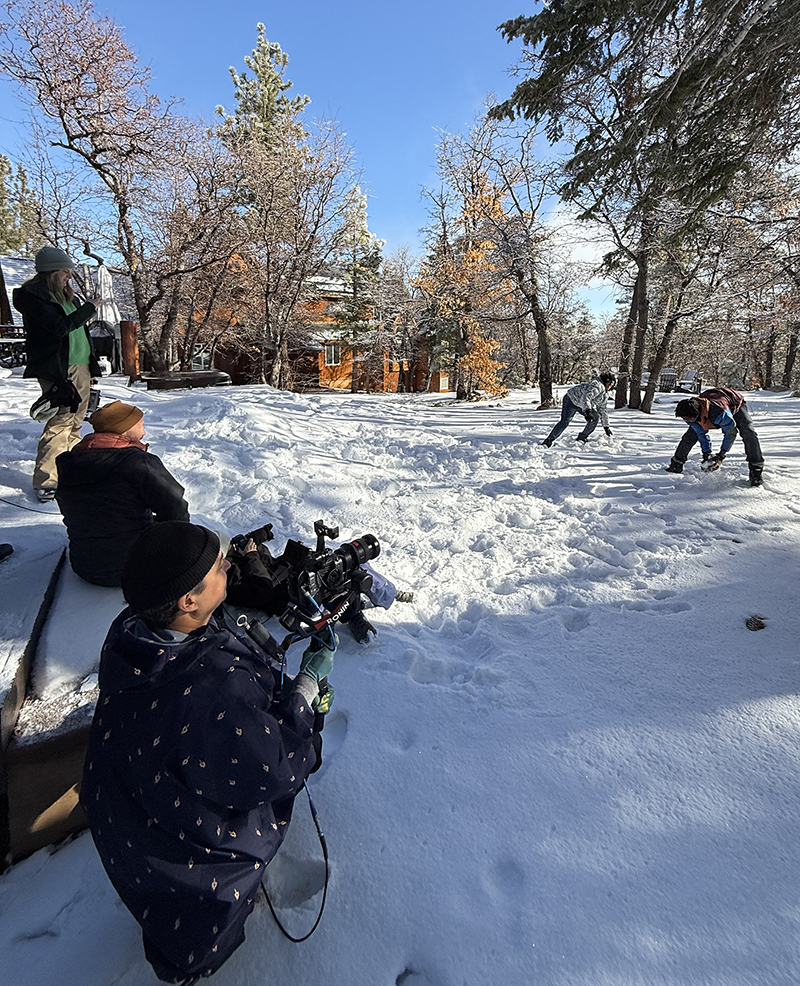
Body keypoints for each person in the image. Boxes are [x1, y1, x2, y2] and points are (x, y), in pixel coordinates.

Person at [81, 522, 334, 984]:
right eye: (219, 566)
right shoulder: (208, 689)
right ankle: (205, 946)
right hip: (181, 861)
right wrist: (305, 694)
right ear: (188, 601)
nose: (229, 564)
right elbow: (278, 765)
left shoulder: (130, 631)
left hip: (125, 812)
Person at [55, 400, 190, 586]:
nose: (144, 433)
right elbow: (175, 507)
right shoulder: (137, 462)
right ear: (124, 429)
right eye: (141, 426)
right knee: (215, 541)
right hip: (136, 569)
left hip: (84, 565)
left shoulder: (69, 462)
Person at [13, 246, 102, 501]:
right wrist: (88, 309)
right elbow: (59, 328)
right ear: (51, 270)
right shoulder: (35, 296)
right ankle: (47, 480)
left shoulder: (68, 296)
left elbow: (78, 332)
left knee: (76, 421)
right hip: (57, 367)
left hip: (80, 363)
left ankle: (69, 471)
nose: (70, 275)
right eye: (66, 270)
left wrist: (89, 366)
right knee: (62, 419)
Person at [666, 387, 764, 487]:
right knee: (690, 436)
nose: (688, 421)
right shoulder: (688, 413)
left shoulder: (720, 413)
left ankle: (756, 471)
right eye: (685, 419)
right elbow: (701, 434)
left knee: (749, 433)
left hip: (734, 402)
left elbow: (731, 432)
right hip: (710, 399)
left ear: (697, 413)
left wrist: (721, 455)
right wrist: (707, 454)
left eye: (689, 419)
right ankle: (676, 464)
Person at [541, 372, 616, 447]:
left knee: (595, 417)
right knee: (565, 421)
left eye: (612, 384)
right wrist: (588, 411)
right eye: (609, 383)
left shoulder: (604, 395)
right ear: (605, 381)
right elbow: (586, 397)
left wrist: (606, 427)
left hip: (581, 404)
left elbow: (602, 409)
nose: (610, 385)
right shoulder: (597, 386)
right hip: (570, 399)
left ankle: (582, 438)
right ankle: (548, 441)